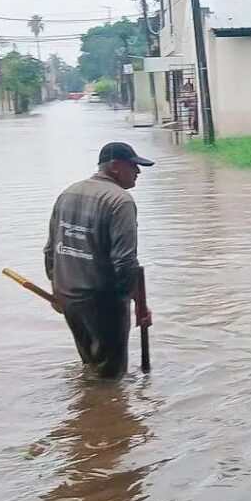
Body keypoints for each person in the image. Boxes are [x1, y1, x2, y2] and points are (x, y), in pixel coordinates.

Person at [45, 142, 154, 378]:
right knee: (111, 377)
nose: (138, 172)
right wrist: (139, 304)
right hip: (103, 302)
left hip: (69, 297)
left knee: (91, 365)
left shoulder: (68, 193)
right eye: (133, 166)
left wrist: (57, 289)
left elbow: (50, 251)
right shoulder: (120, 201)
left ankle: (90, 409)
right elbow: (125, 263)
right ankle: (108, 412)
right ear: (115, 167)